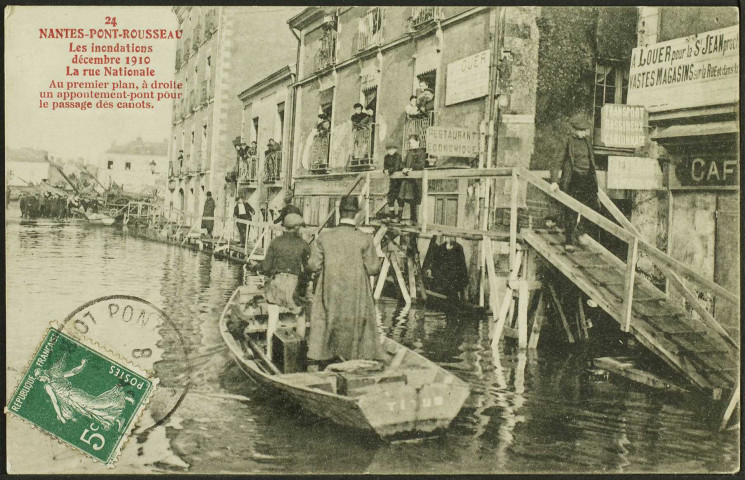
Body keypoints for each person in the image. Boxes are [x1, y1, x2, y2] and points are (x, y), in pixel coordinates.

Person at [307, 196, 385, 369]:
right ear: (356, 214)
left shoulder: (324, 238)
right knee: (357, 319)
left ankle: (324, 355)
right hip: (356, 293)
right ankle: (354, 357)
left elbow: (313, 265)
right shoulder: (364, 239)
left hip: (330, 289)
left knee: (326, 317)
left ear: (338, 212)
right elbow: (374, 269)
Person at [261, 213, 311, 357]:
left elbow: (266, 266)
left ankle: (269, 354)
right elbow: (308, 268)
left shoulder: (275, 242)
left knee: (273, 318)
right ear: (297, 228)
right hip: (294, 284)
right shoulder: (303, 244)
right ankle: (299, 353)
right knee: (300, 316)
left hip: (277, 282)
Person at [550, 114, 599, 251]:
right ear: (575, 129)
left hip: (587, 178)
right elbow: (557, 161)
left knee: (594, 206)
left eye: (585, 130)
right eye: (581, 130)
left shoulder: (587, 141)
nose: (584, 133)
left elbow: (591, 161)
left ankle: (580, 231)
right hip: (573, 179)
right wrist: (554, 181)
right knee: (571, 210)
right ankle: (569, 241)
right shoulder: (567, 141)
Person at [398, 134, 427, 224]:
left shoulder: (422, 152)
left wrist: (411, 168)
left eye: (413, 142)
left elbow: (421, 165)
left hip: (415, 180)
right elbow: (403, 163)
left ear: (418, 142)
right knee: (401, 197)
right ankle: (399, 217)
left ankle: (413, 219)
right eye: (410, 143)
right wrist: (403, 168)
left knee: (413, 199)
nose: (411, 145)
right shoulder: (409, 153)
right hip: (407, 179)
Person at [382, 143, 402, 218]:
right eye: (389, 149)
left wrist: (389, 171)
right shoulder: (386, 157)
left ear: (395, 149)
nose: (390, 151)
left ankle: (399, 216)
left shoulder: (398, 156)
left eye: (392, 149)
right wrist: (385, 171)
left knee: (400, 198)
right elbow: (385, 166)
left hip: (399, 180)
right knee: (390, 197)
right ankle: (392, 215)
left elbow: (396, 167)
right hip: (392, 180)